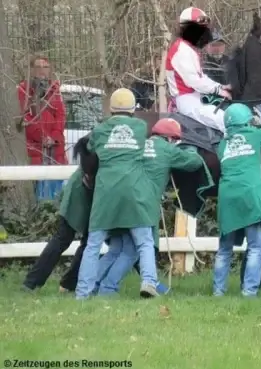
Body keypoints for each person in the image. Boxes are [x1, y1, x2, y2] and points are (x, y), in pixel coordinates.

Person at [92, 118, 206, 296]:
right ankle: (144, 284)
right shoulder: (167, 149)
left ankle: (94, 285)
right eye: (175, 139)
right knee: (142, 246)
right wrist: (190, 148)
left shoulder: (138, 144)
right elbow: (195, 162)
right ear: (169, 138)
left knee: (119, 249)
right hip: (142, 205)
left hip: (117, 202)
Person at [74, 88, 160, 299]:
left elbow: (89, 152)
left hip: (106, 192)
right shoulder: (140, 127)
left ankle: (83, 292)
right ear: (133, 108)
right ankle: (149, 281)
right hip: (134, 190)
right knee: (145, 242)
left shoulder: (100, 130)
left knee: (93, 245)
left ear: (111, 108)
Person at [214, 103, 261, 297]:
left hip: (227, 198)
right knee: (256, 248)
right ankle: (249, 292)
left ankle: (218, 291)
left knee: (224, 250)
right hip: (250, 197)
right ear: (246, 121)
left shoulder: (222, 146)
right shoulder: (255, 136)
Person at [22, 169, 93, 293]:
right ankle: (32, 282)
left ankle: (68, 283)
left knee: (89, 241)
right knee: (63, 238)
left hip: (89, 186)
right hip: (83, 187)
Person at [165, 7, 232, 133]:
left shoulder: (189, 48)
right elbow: (195, 82)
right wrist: (220, 91)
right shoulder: (181, 50)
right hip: (186, 99)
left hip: (195, 96)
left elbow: (202, 78)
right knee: (224, 120)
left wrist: (221, 87)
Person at [17, 54, 67, 200]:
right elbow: (25, 118)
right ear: (31, 70)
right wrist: (42, 137)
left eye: (45, 67)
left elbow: (61, 115)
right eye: (38, 67)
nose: (42, 70)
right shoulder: (22, 91)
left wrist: (55, 136)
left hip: (55, 150)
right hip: (35, 150)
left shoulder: (55, 90)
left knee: (57, 196)